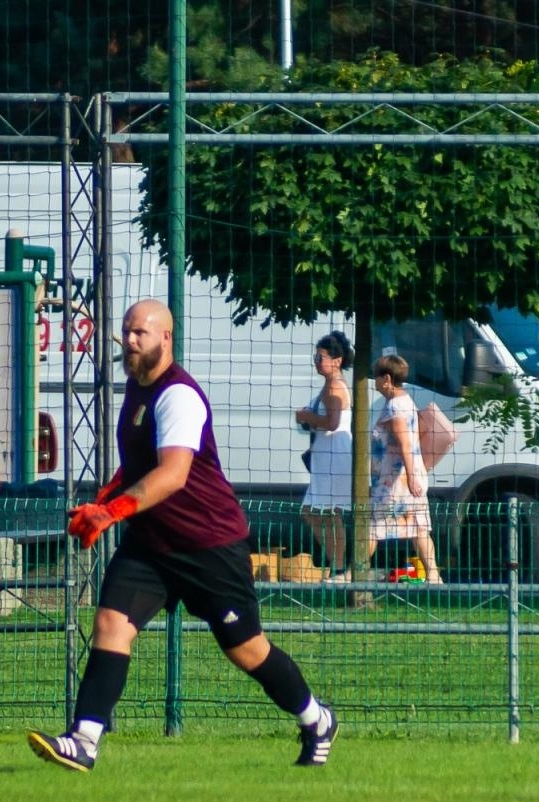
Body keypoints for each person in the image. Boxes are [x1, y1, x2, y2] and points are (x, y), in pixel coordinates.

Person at [26, 299, 337, 772]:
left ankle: (316, 720)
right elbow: (136, 467)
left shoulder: (178, 396)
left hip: (208, 545)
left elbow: (172, 475)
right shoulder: (136, 388)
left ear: (165, 339)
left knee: (246, 649)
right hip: (152, 545)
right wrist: (103, 501)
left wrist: (111, 514)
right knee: (111, 623)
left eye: (141, 334)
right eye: (128, 332)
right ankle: (84, 739)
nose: (130, 341)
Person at [369, 354, 442, 583]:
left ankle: (354, 571)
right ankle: (433, 574)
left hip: (396, 481)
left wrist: (410, 475)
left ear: (387, 378)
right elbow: (418, 433)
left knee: (372, 524)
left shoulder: (393, 407)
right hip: (410, 475)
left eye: (377, 377)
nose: (375, 382)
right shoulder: (406, 400)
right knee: (419, 526)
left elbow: (404, 442)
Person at [294, 330, 353, 579]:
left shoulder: (335, 388)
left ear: (337, 360)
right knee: (312, 512)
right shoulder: (327, 387)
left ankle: (340, 567)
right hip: (324, 455)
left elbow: (332, 422)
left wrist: (308, 417)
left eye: (321, 357)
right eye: (316, 357)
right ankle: (336, 563)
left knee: (329, 512)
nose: (317, 362)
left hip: (334, 456)